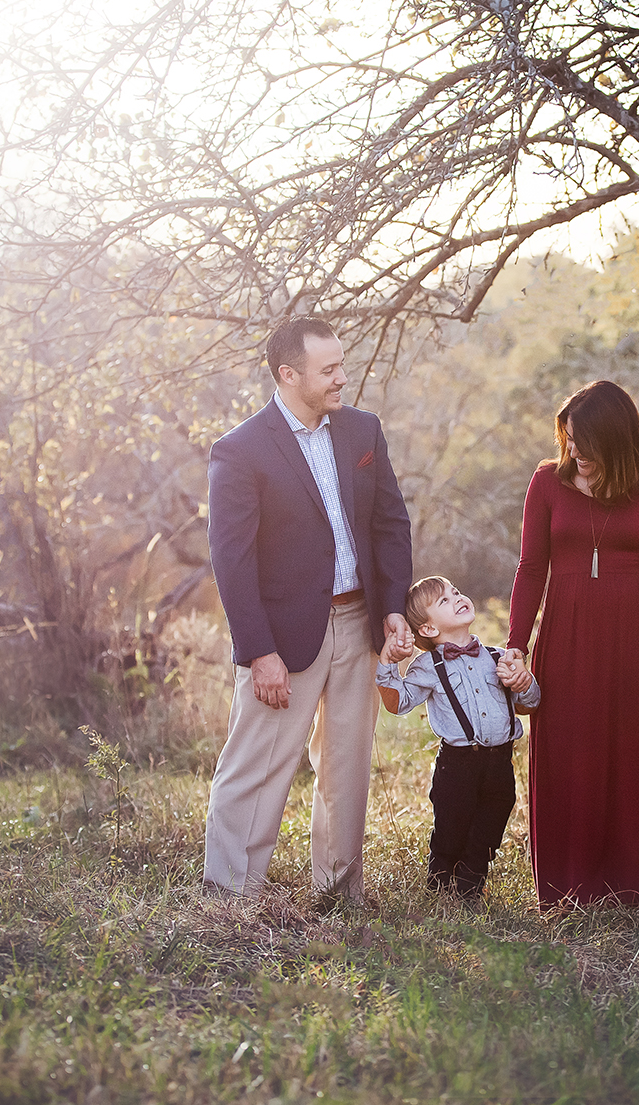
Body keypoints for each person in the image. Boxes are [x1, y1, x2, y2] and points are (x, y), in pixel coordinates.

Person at [203, 316, 414, 901]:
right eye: (329, 370)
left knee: (347, 769)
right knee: (257, 765)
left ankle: (338, 895)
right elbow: (232, 562)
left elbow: (390, 524)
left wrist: (393, 607)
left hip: (357, 624)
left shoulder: (363, 433)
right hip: (282, 635)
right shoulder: (239, 451)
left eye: (342, 365)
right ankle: (230, 898)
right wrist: (259, 651)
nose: (343, 378)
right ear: (288, 374)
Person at [507, 380, 639, 907]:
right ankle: (566, 885)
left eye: (585, 445)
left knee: (634, 756)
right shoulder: (546, 482)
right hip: (565, 639)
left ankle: (630, 886)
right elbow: (531, 567)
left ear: (616, 440)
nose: (575, 454)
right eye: (568, 440)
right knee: (568, 752)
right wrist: (515, 645)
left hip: (637, 644)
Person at [376, 576, 539, 900]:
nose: (458, 598)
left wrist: (523, 682)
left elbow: (528, 705)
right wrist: (388, 664)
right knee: (452, 826)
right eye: (445, 601)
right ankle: (440, 880)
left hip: (499, 762)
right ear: (429, 629)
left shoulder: (497, 657)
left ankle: (470, 884)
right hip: (458, 764)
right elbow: (399, 703)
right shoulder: (428, 666)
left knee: (490, 825)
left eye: (456, 592)